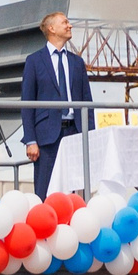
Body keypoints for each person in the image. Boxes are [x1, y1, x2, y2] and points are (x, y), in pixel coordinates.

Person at [19, 10, 91, 196]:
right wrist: (30, 140)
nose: (70, 25)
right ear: (51, 28)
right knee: (44, 191)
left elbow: (87, 102)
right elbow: (27, 103)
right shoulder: (34, 61)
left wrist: (89, 136)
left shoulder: (77, 62)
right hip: (46, 138)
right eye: (65, 22)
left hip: (74, 133)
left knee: (73, 191)